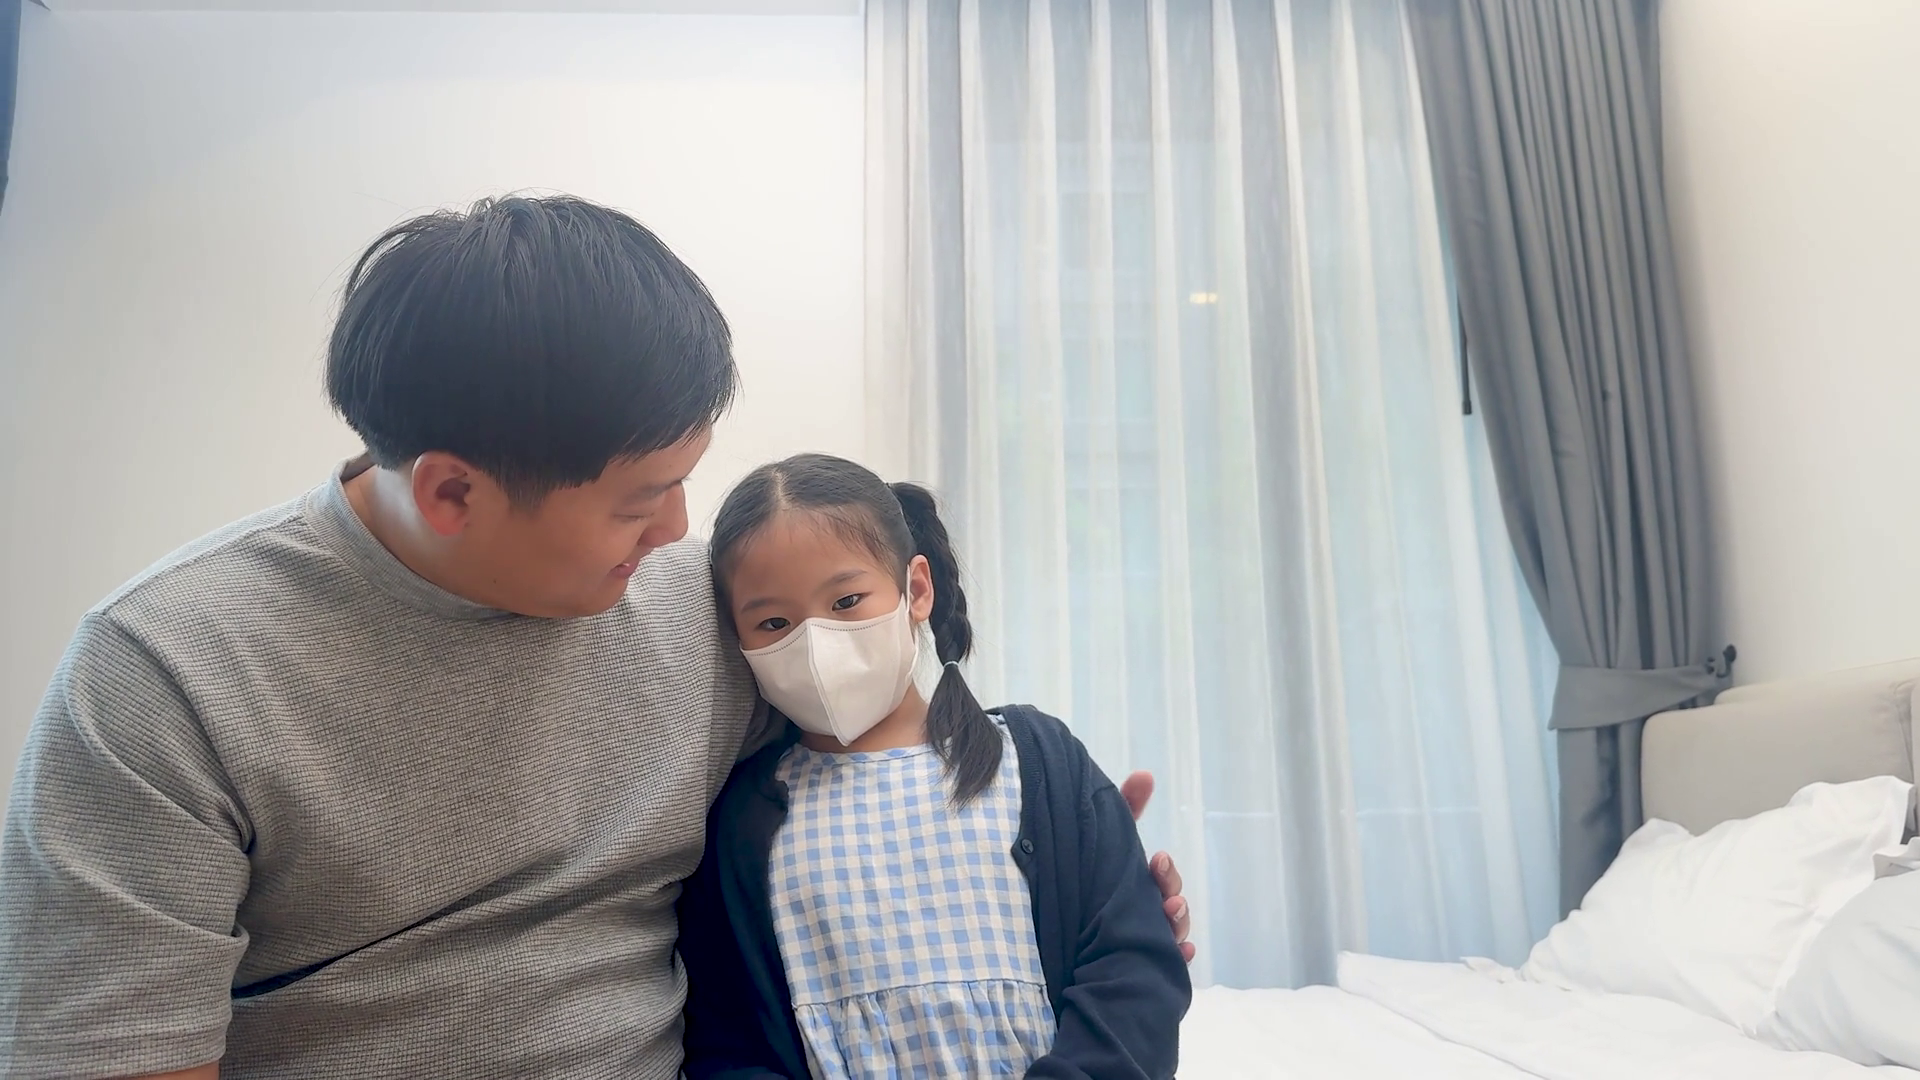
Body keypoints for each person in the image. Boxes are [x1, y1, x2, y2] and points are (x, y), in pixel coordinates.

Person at [0, 195, 1190, 1080]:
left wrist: (1086, 888)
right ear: (452, 491)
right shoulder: (163, 677)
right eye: (639, 501)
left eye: (684, 482)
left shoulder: (691, 612)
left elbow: (873, 776)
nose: (677, 532)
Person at [679, 453, 1190, 1080]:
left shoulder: (1039, 761)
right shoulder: (736, 822)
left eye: (846, 600)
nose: (814, 642)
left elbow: (1132, 969)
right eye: (773, 622)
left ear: (916, 589)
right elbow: (724, 1038)